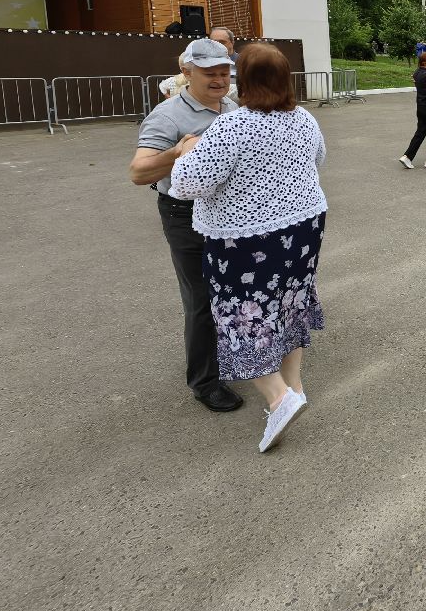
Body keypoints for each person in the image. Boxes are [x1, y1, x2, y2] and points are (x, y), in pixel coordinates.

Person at [169, 43, 328, 452]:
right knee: (288, 303)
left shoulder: (232, 126)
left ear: (245, 81)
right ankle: (295, 388)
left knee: (242, 314)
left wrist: (186, 151)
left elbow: (187, 184)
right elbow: (319, 158)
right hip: (303, 227)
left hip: (246, 237)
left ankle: (279, 397)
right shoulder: (304, 118)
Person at [128, 38, 242, 413]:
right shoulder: (167, 116)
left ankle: (231, 357)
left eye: (224, 72)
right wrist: (176, 152)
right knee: (201, 300)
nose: (219, 79)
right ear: (188, 72)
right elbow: (139, 172)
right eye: (210, 73)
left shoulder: (231, 106)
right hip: (185, 214)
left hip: (228, 213)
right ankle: (205, 382)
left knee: (232, 291)